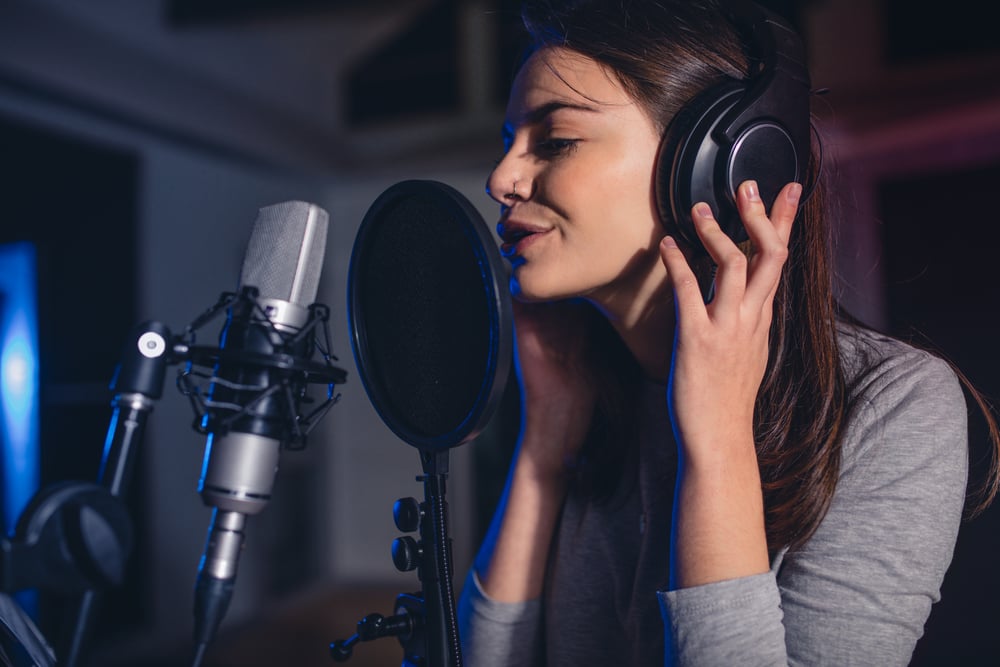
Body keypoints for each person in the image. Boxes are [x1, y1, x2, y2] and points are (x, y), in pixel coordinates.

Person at [456, 0, 1000, 665]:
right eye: (509, 140)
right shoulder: (585, 394)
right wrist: (546, 437)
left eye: (556, 140)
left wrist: (717, 438)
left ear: (721, 164)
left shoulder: (895, 404)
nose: (501, 178)